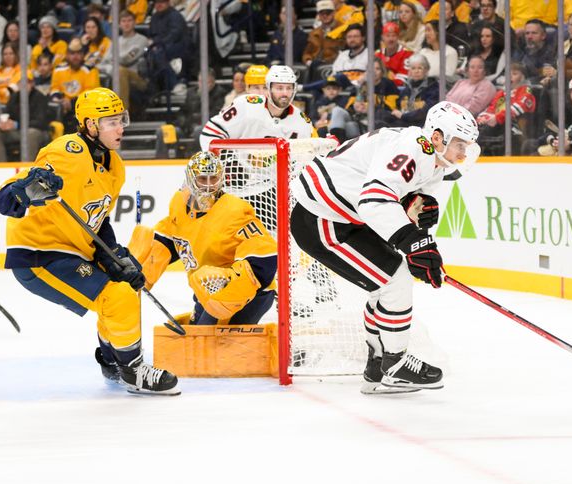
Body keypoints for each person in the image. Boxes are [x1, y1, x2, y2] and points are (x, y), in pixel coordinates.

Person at [0, 87, 180, 395]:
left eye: (122, 119)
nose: (120, 127)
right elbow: (8, 198)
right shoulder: (69, 150)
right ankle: (133, 371)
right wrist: (25, 192)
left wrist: (114, 257)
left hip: (74, 249)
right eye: (111, 122)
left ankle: (113, 361)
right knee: (116, 298)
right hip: (40, 252)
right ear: (91, 125)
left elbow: (99, 220)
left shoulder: (115, 166)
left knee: (127, 287)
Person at [288, 101, 480, 393]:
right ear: (438, 137)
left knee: (386, 286)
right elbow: (375, 198)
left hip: (344, 217)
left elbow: (402, 203)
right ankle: (395, 366)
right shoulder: (413, 148)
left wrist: (419, 220)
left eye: (468, 146)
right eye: (460, 144)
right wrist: (413, 242)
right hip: (322, 218)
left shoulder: (434, 163)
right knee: (396, 281)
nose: (464, 153)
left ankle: (378, 366)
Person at [129, 151, 277, 327]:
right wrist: (142, 266)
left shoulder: (235, 211)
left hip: (248, 296)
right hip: (206, 292)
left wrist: (230, 286)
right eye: (202, 179)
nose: (208, 186)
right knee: (196, 341)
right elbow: (171, 238)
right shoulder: (178, 203)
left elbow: (265, 257)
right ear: (191, 179)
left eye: (213, 178)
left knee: (212, 346)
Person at [200, 65, 316, 151]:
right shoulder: (245, 106)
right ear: (269, 88)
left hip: (280, 182)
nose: (285, 93)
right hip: (240, 180)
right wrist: (225, 161)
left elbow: (309, 159)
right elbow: (211, 133)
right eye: (279, 88)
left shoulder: (302, 122)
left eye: (289, 88)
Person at [0, 71, 51, 162]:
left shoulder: (40, 97)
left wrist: (17, 125)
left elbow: (40, 122)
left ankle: (27, 168)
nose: (24, 85)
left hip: (38, 131)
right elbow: (7, 114)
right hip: (18, 131)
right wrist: (3, 124)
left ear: (32, 83)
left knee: (31, 134)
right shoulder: (14, 97)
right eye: (21, 82)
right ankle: (3, 166)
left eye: (27, 82)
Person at [50, 38, 101, 133]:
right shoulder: (58, 70)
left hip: (85, 109)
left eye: (78, 53)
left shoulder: (90, 70)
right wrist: (58, 100)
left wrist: (72, 103)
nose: (75, 57)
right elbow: (54, 88)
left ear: (82, 55)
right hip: (63, 108)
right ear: (67, 55)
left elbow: (90, 93)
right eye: (72, 54)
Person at [377, 53, 439, 128]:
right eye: (413, 68)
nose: (416, 71)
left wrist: (403, 116)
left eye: (420, 68)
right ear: (409, 71)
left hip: (420, 125)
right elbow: (397, 106)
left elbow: (425, 112)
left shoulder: (434, 88)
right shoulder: (407, 88)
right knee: (380, 115)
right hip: (403, 122)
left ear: (426, 70)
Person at [115, 9, 149, 112]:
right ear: (119, 24)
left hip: (138, 78)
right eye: (123, 21)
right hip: (116, 74)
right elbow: (103, 62)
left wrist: (113, 61)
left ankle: (122, 112)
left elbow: (126, 59)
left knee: (121, 71)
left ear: (134, 22)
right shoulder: (115, 41)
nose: (126, 24)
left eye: (129, 20)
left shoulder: (141, 40)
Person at [302, 0, 344, 74]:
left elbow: (344, 52)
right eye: (322, 13)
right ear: (318, 15)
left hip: (334, 65)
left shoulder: (342, 29)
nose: (325, 16)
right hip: (315, 66)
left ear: (334, 13)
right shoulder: (313, 33)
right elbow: (307, 53)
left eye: (328, 13)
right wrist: (308, 61)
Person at [376, 21, 413, 86]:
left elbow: (403, 80)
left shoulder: (407, 54)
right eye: (387, 36)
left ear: (398, 37)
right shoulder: (377, 54)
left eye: (393, 36)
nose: (391, 39)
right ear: (382, 37)